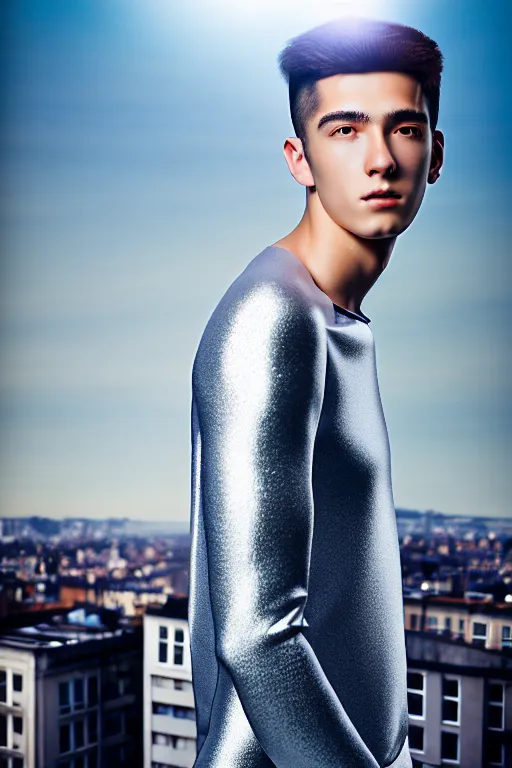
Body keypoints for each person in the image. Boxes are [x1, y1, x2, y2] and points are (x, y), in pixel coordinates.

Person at [188, 16, 444, 768]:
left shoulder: (335, 318)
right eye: (344, 129)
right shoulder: (274, 318)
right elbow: (256, 635)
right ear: (299, 159)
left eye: (404, 127)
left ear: (435, 155)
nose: (379, 159)